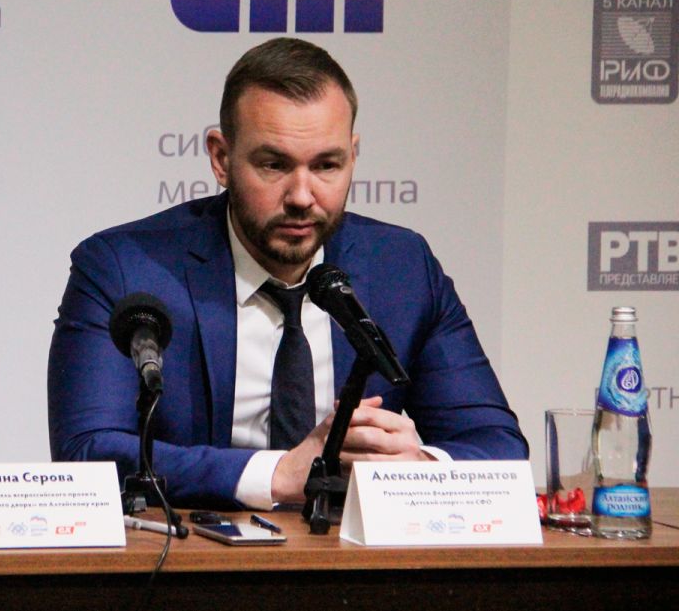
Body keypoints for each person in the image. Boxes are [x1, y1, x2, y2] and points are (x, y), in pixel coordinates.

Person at [47, 38, 528, 511]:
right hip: (197, 554)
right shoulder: (124, 269)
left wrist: (419, 467)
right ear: (221, 158)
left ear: (353, 156)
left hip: (351, 556)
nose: (301, 195)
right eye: (274, 165)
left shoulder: (401, 267)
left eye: (327, 165)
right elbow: (87, 450)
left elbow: (497, 445)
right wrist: (279, 474)